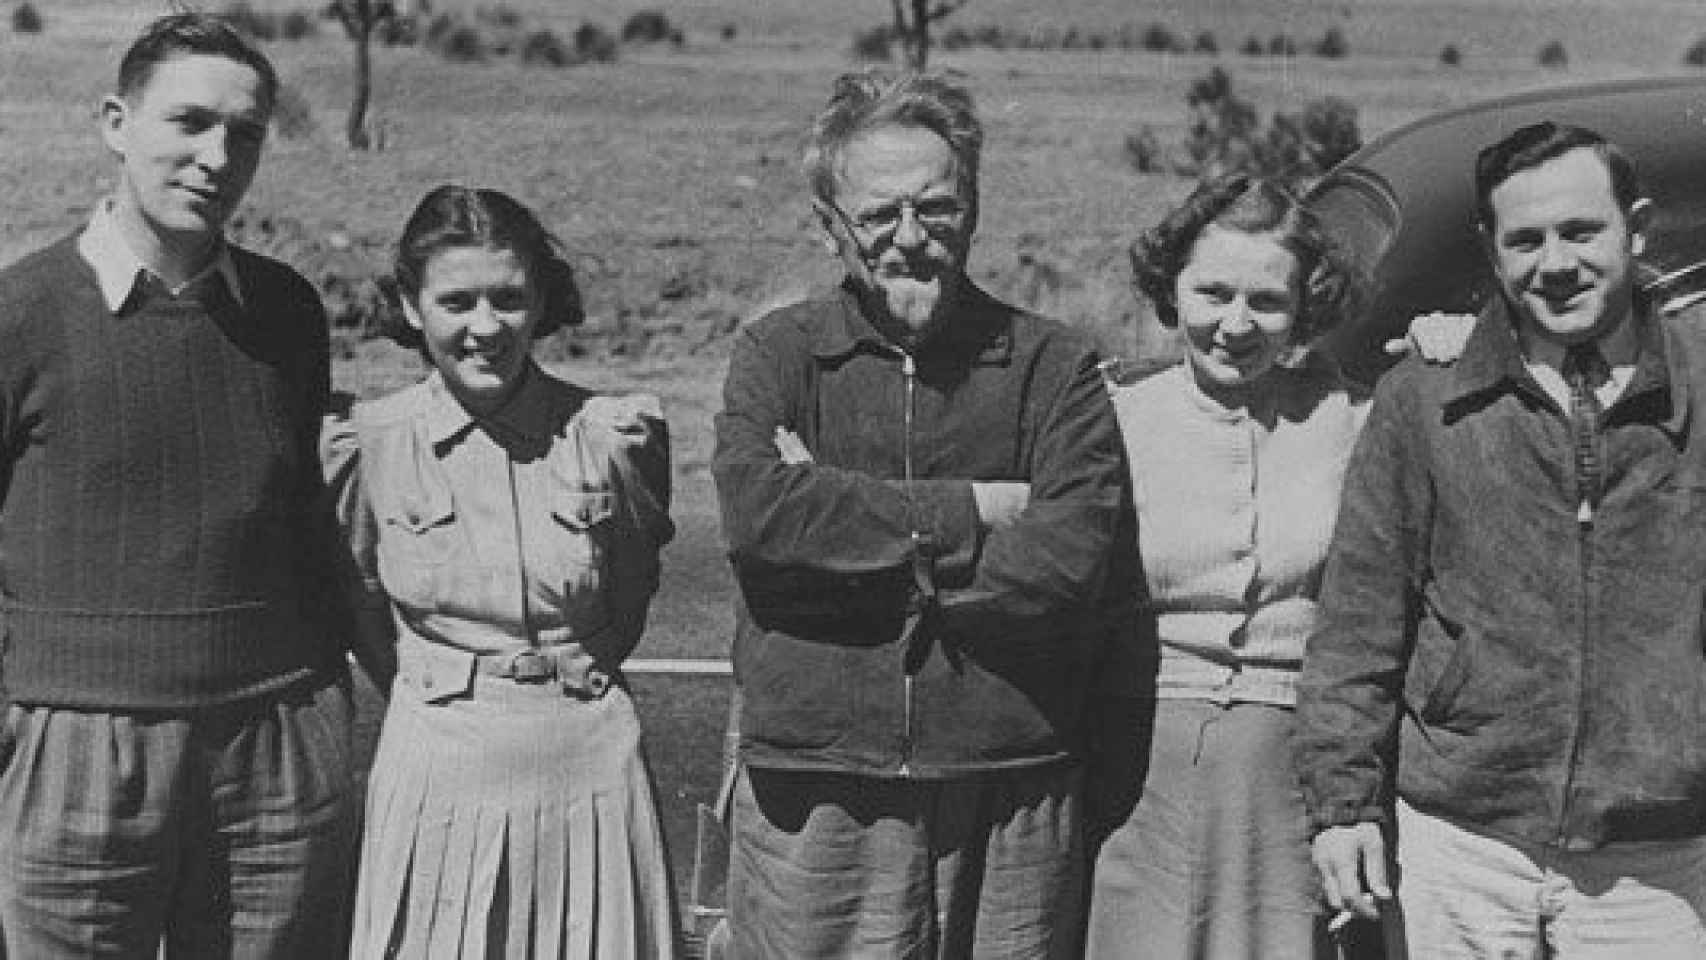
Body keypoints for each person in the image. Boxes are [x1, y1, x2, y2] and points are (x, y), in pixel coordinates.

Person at [712, 70, 1127, 959]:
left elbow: (1069, 559)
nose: (911, 240)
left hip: (1009, 776)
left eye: (938, 209)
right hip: (817, 782)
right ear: (831, 224)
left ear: (973, 206)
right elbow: (761, 523)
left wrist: (844, 536)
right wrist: (976, 511)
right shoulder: (777, 353)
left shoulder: (1054, 367)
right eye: (878, 215)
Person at [1296, 120, 1706, 958]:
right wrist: (1343, 811)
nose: (1555, 263)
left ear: (1637, 227)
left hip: (1660, 853)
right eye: (1526, 240)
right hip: (1461, 838)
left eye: (1581, 231)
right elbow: (1359, 625)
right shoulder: (1424, 397)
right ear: (1491, 249)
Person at [0, 13, 356, 958]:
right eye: (189, 122)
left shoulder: (288, 313)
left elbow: (307, 524)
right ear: (116, 121)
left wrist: (324, 713)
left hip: (275, 743)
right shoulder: (20, 313)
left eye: (245, 133)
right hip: (75, 748)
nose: (217, 156)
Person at [326, 185, 680, 959]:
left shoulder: (611, 437)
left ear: (541, 301)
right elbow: (359, 608)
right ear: (412, 309)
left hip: (588, 761)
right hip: (437, 768)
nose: (485, 328)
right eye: (457, 301)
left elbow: (625, 600)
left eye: (509, 299)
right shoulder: (369, 445)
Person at [1085, 175, 1374, 960]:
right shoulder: (1110, 419)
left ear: (1306, 306)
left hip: (1288, 780)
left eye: (1267, 302)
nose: (1236, 325)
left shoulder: (1353, 419)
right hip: (1134, 773)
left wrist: (1448, 346)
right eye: (1213, 292)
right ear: (1172, 290)